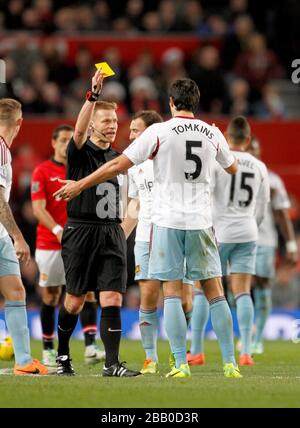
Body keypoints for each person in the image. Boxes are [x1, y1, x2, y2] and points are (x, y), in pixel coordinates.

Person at [55, 78, 243, 379]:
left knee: (167, 292)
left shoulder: (158, 133)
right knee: (214, 291)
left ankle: (176, 363)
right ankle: (230, 362)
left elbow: (122, 175)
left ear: (170, 102)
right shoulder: (212, 132)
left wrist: (80, 186)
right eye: (107, 121)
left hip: (164, 222)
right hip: (200, 222)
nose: (115, 127)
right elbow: (232, 168)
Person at [54, 69, 140, 377]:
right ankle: (63, 356)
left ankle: (111, 364)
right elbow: (76, 134)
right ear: (92, 124)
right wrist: (92, 95)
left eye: (115, 122)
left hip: (111, 232)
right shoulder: (79, 153)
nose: (113, 126)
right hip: (81, 230)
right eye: (106, 121)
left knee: (112, 297)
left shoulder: (118, 158)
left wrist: (121, 230)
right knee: (75, 301)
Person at [123, 110, 194, 375]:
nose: (130, 135)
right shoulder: (135, 166)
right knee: (148, 296)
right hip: (145, 236)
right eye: (130, 130)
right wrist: (120, 237)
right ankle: (151, 358)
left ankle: (180, 353)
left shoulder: (170, 158)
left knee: (183, 300)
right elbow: (135, 204)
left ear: (152, 132)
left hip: (173, 232)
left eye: (135, 130)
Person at [31, 124, 105, 368]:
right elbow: (38, 208)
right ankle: (49, 349)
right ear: (53, 143)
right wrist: (57, 230)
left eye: (69, 139)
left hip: (80, 241)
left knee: (87, 291)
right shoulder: (42, 171)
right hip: (50, 243)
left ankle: (91, 346)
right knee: (52, 295)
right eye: (62, 140)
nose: (66, 144)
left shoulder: (82, 168)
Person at [212, 116, 270, 366]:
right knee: (243, 291)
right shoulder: (259, 165)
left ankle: (196, 349)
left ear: (227, 136)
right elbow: (261, 208)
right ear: (248, 139)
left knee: (206, 291)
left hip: (220, 232)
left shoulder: (218, 162)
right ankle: (246, 351)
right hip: (248, 232)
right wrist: (251, 226)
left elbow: (206, 196)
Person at [0, 98, 47, 375]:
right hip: (5, 233)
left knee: (16, 291)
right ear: (20, 123)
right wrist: (18, 236)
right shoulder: (2, 152)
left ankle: (24, 362)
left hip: (1, 234)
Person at [248, 137, 298, 354]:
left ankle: (257, 339)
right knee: (234, 288)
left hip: (265, 242)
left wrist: (290, 245)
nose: (252, 153)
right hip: (238, 239)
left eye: (255, 150)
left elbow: (281, 216)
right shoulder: (228, 173)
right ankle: (245, 332)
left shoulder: (273, 180)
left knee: (262, 287)